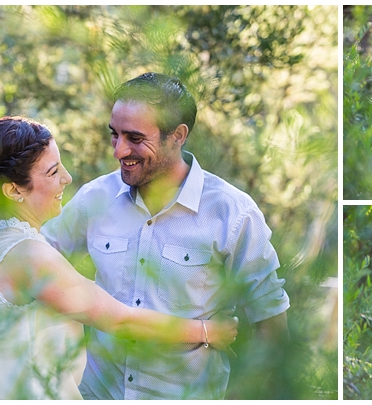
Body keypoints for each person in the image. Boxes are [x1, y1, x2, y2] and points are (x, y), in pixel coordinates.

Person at [0, 116, 239, 399]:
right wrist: (210, 331)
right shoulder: (29, 256)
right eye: (53, 172)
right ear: (14, 190)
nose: (66, 178)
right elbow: (121, 320)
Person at [41, 72, 290, 399]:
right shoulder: (95, 198)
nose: (118, 150)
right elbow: (33, 258)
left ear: (177, 136)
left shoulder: (231, 213)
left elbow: (271, 325)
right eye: (114, 135)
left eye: (134, 138)